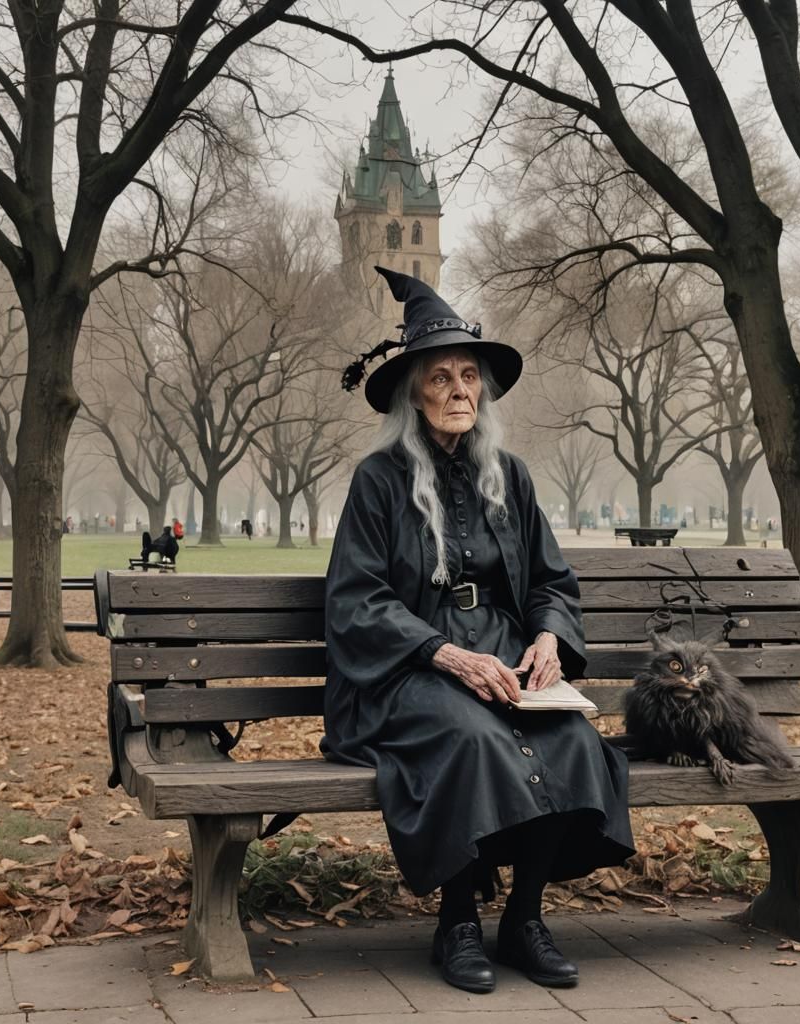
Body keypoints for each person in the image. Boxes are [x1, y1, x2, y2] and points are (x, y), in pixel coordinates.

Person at [324, 267, 634, 995]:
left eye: (470, 376)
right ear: (414, 393)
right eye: (442, 378)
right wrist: (446, 655)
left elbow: (552, 580)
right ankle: (457, 922)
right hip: (406, 669)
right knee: (473, 738)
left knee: (570, 738)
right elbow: (356, 600)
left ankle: (524, 919)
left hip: (503, 653)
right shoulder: (378, 480)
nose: (460, 390)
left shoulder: (510, 476)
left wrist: (550, 638)